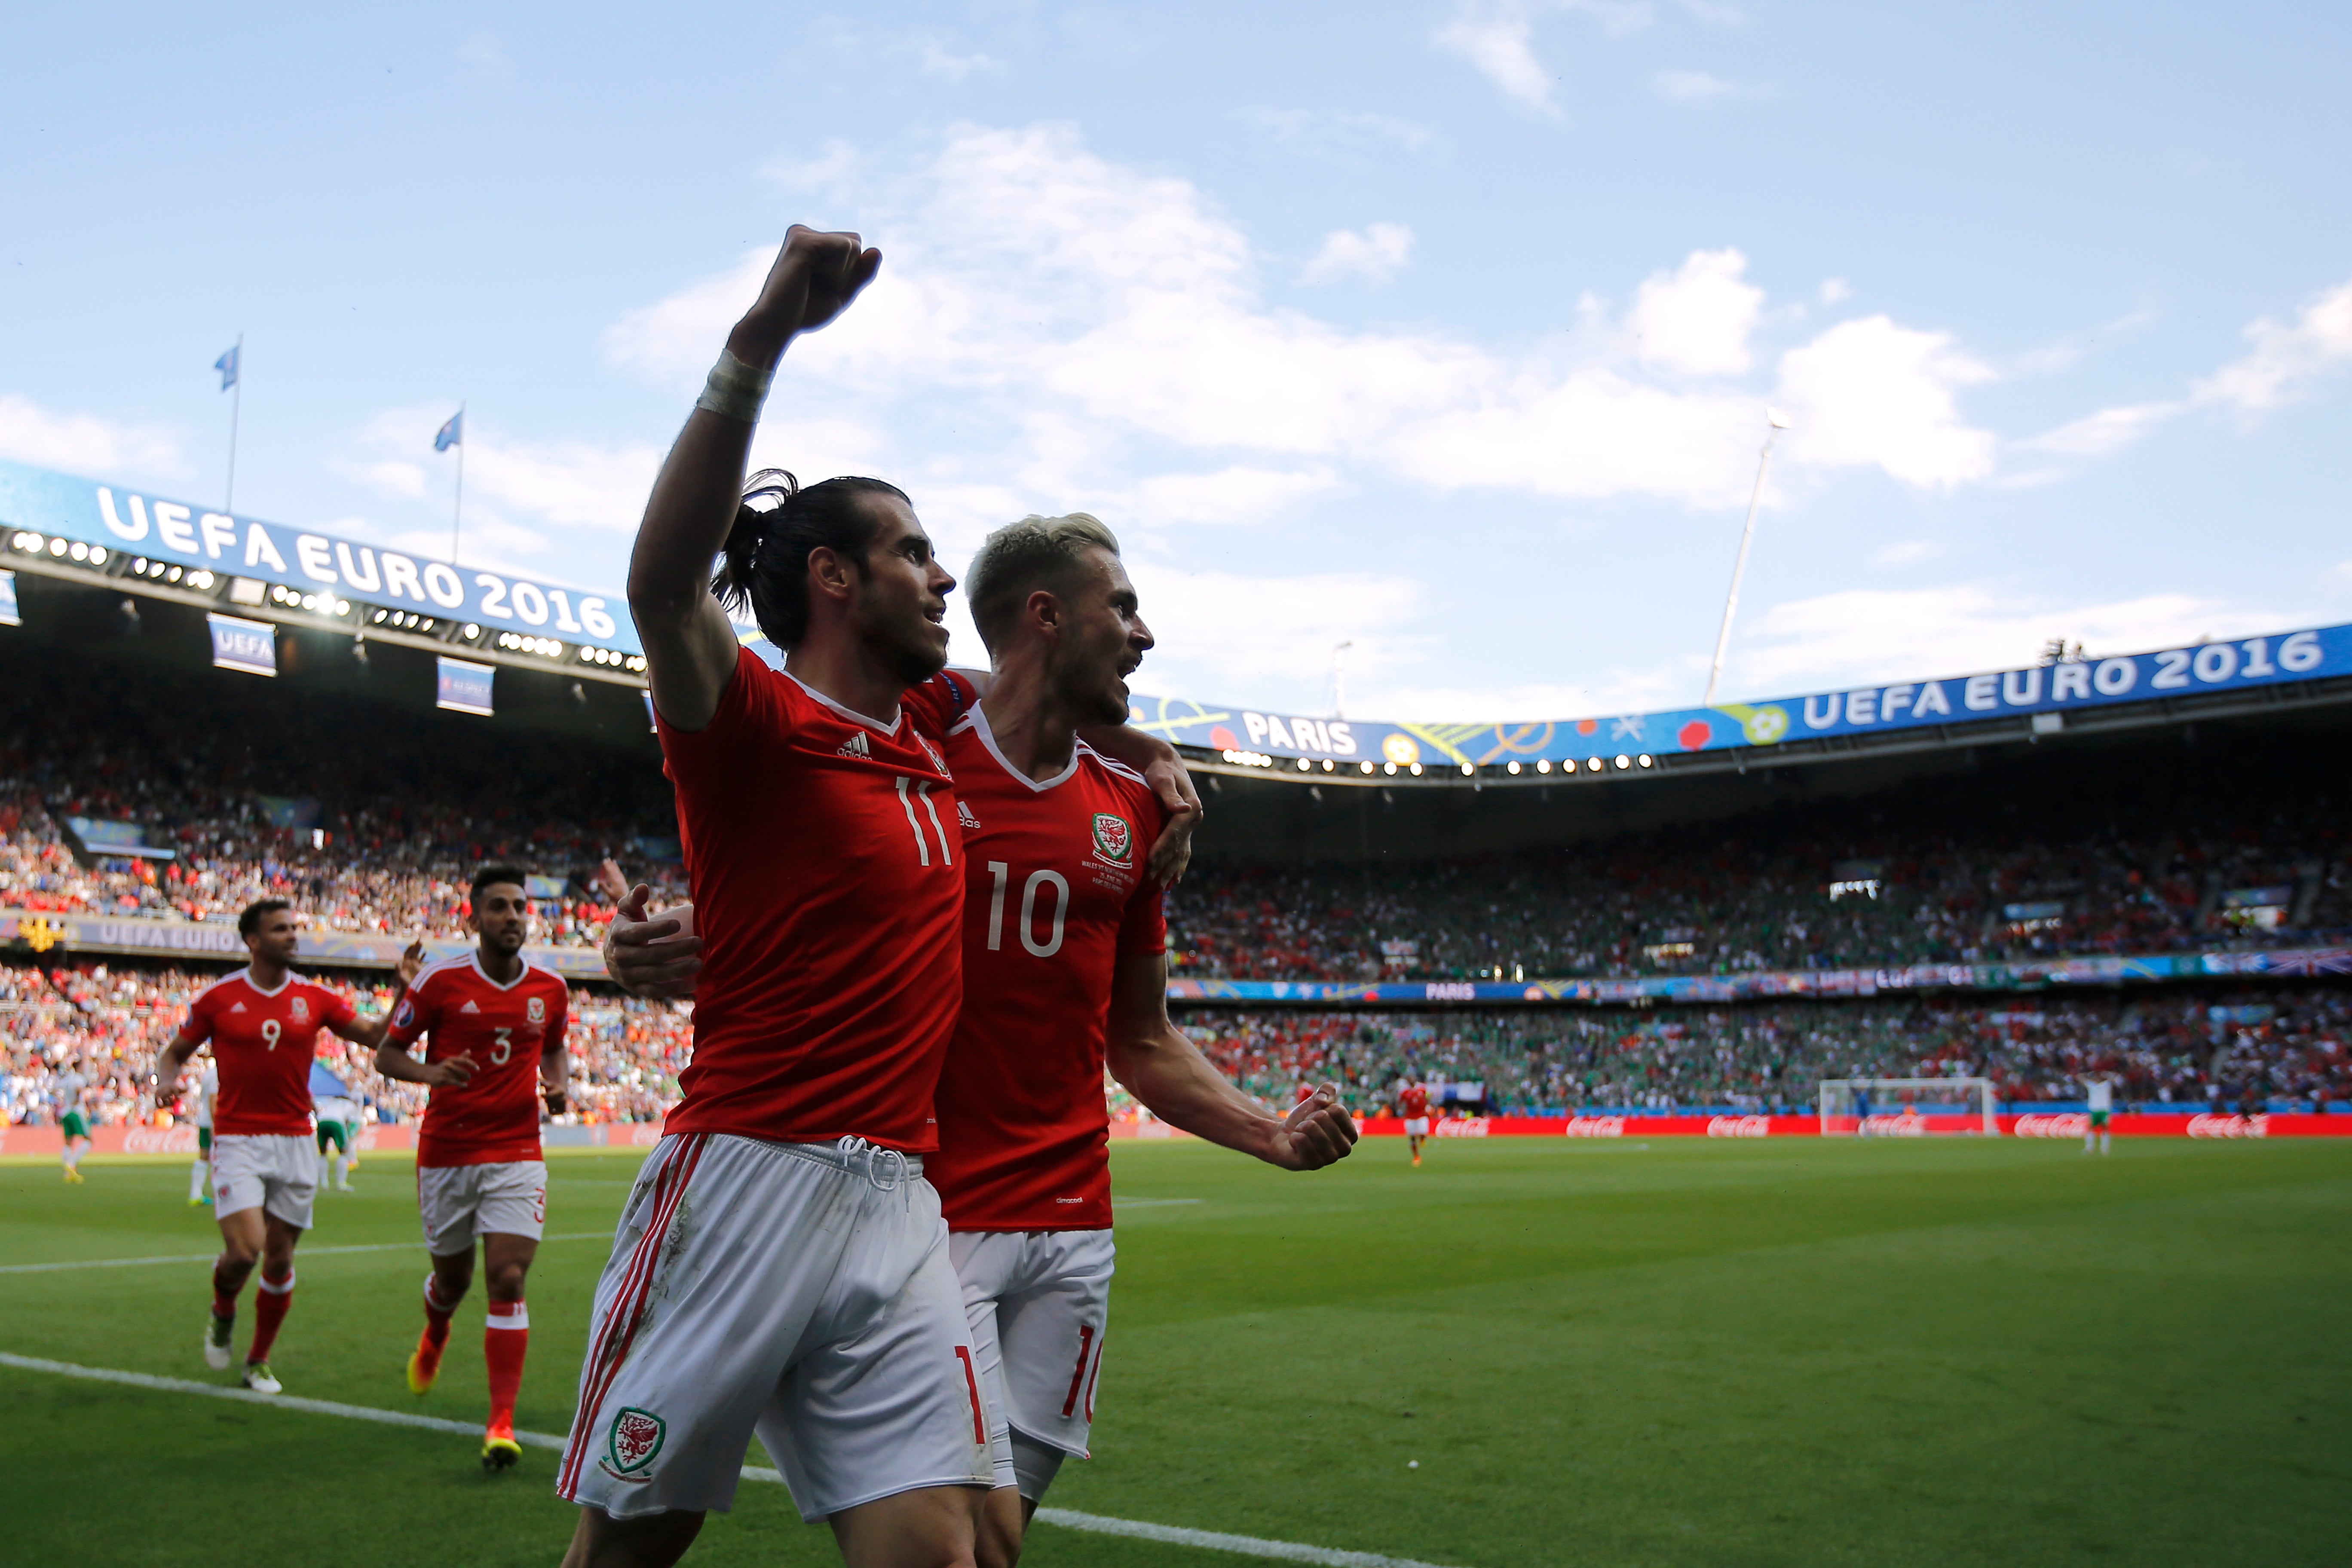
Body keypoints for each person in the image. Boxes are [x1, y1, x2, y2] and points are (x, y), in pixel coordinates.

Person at [558, 224, 1197, 1568]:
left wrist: (1147, 746)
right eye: (913, 552)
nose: (944, 576)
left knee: (951, 1554)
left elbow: (1050, 693)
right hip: (749, 1180)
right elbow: (662, 586)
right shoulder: (755, 724)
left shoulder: (930, 731)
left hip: (902, 1198)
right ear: (836, 580)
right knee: (628, 1553)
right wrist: (764, 335)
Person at [608, 510, 1354, 1568]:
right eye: (1125, 609)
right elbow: (780, 822)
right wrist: (661, 933)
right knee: (666, 1523)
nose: (1144, 635)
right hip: (919, 1201)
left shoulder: (1132, 812)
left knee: (986, 1543)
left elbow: (1138, 1038)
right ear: (1046, 616)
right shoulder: (918, 727)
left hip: (1066, 1217)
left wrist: (1265, 1130)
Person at [151, 900, 413, 1395]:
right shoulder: (219, 999)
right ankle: (224, 1307)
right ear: (253, 940)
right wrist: (163, 1082)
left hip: (297, 1139)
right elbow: (174, 1054)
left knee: (279, 1260)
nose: (292, 935)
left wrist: (401, 987)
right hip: (238, 1140)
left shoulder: (315, 998)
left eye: (294, 928)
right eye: (280, 929)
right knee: (246, 1251)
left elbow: (377, 1035)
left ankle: (259, 1361)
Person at [374, 864, 572, 1470]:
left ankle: (500, 1423)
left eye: (520, 907)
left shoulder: (551, 988)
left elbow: (557, 1045)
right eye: (500, 907)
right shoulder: (440, 981)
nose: (513, 916)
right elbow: (387, 1053)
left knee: (507, 1280)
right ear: (475, 918)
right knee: (453, 1283)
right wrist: (431, 1074)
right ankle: (436, 1331)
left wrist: (557, 1085)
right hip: (448, 1154)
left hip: (516, 1152)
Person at [311, 1054, 361, 1192]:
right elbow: (351, 1122)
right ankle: (341, 1183)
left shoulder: (333, 1100)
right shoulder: (351, 1104)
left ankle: (324, 1183)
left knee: (323, 1153)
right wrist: (350, 1134)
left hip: (322, 1121)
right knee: (343, 1152)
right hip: (336, 1123)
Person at [186, 1062, 217, 1206]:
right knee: (222, 1156)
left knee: (204, 1156)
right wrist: (216, 1124)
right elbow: (214, 1099)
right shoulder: (217, 1073)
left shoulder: (209, 1073)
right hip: (213, 1121)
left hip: (205, 1120)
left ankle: (196, 1193)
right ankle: (221, 1193)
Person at [56, 1061, 91, 1183]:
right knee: (88, 1140)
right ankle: (71, 1164)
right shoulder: (79, 1079)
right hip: (76, 1112)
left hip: (65, 1113)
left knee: (68, 1143)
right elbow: (78, 1089)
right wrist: (76, 1100)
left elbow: (56, 1088)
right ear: (79, 1067)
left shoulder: (68, 1078)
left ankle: (67, 1174)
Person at [2079, 1074, 2116, 1155]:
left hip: (2104, 1110)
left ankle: (2105, 1149)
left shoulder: (2106, 1085)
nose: (2097, 1079)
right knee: (2091, 1129)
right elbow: (2080, 1078)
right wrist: (2089, 1074)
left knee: (2105, 1129)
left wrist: (2106, 1074)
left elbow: (2114, 1077)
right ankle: (2089, 1148)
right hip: (2094, 1110)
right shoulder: (2092, 1085)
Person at [1399, 1079, 1431, 1167]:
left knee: (1423, 1132)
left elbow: (1428, 1096)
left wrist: (1428, 1105)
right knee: (1412, 1137)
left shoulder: (1422, 1089)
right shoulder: (1405, 1092)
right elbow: (1400, 1101)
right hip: (1410, 1117)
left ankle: (1422, 1139)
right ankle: (1416, 1156)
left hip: (1421, 1115)